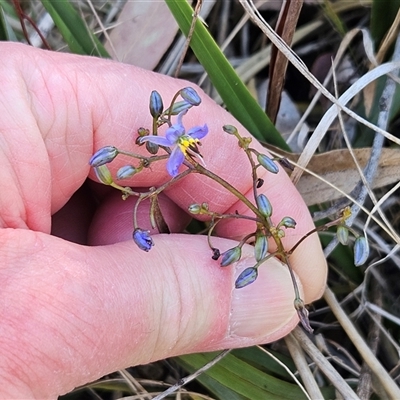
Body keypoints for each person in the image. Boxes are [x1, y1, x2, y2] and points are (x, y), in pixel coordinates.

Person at [0, 42, 326, 398]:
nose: (187, 145)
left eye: (185, 141)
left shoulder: (178, 149)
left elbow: (184, 148)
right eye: (181, 142)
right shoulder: (170, 154)